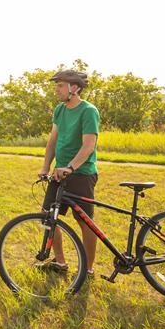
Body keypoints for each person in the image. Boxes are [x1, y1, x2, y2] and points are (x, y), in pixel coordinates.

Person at [39, 70, 100, 278]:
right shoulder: (60, 110)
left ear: (74, 88)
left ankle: (88, 269)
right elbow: (53, 140)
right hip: (59, 173)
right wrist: (46, 166)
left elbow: (88, 145)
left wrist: (71, 167)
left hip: (81, 173)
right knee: (49, 216)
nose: (56, 90)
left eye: (60, 86)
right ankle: (60, 262)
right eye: (56, 86)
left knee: (85, 222)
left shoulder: (88, 111)